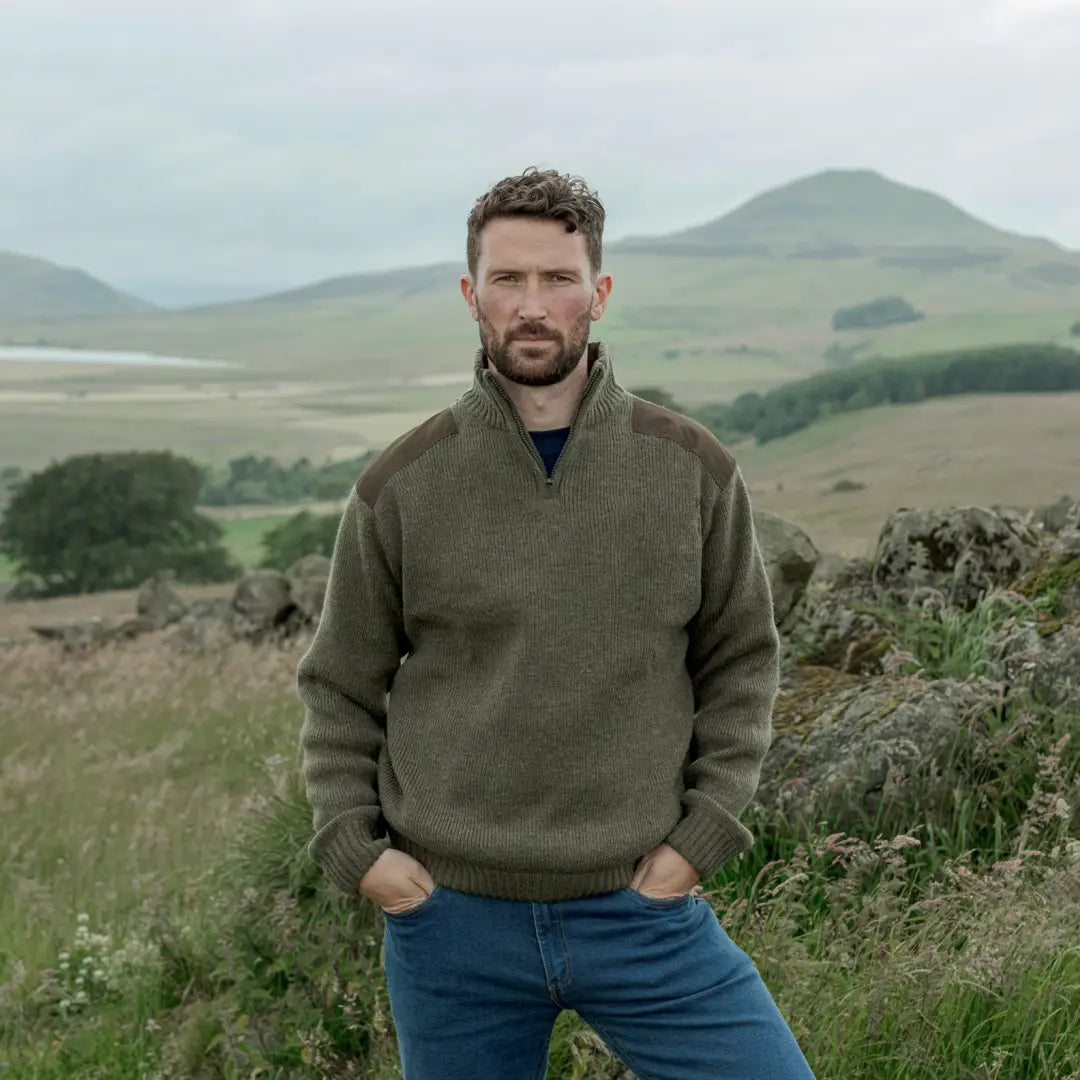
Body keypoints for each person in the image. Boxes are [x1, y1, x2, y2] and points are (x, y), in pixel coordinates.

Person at [296, 167, 816, 1080]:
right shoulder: (403, 485)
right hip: (451, 926)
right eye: (508, 280)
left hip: (644, 912)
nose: (532, 306)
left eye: (557, 279)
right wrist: (356, 848)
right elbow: (339, 683)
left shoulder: (691, 469)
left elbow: (741, 661)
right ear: (472, 297)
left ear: (599, 294)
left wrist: (702, 837)